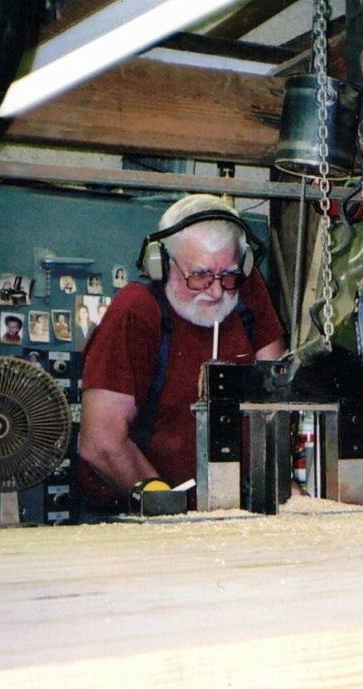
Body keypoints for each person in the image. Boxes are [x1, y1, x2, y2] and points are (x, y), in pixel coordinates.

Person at [78, 194, 286, 510]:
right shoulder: (135, 312)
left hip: (235, 506)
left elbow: (275, 403)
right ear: (160, 264)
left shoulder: (247, 292)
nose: (216, 291)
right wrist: (167, 510)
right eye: (199, 275)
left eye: (228, 274)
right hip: (142, 512)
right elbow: (101, 443)